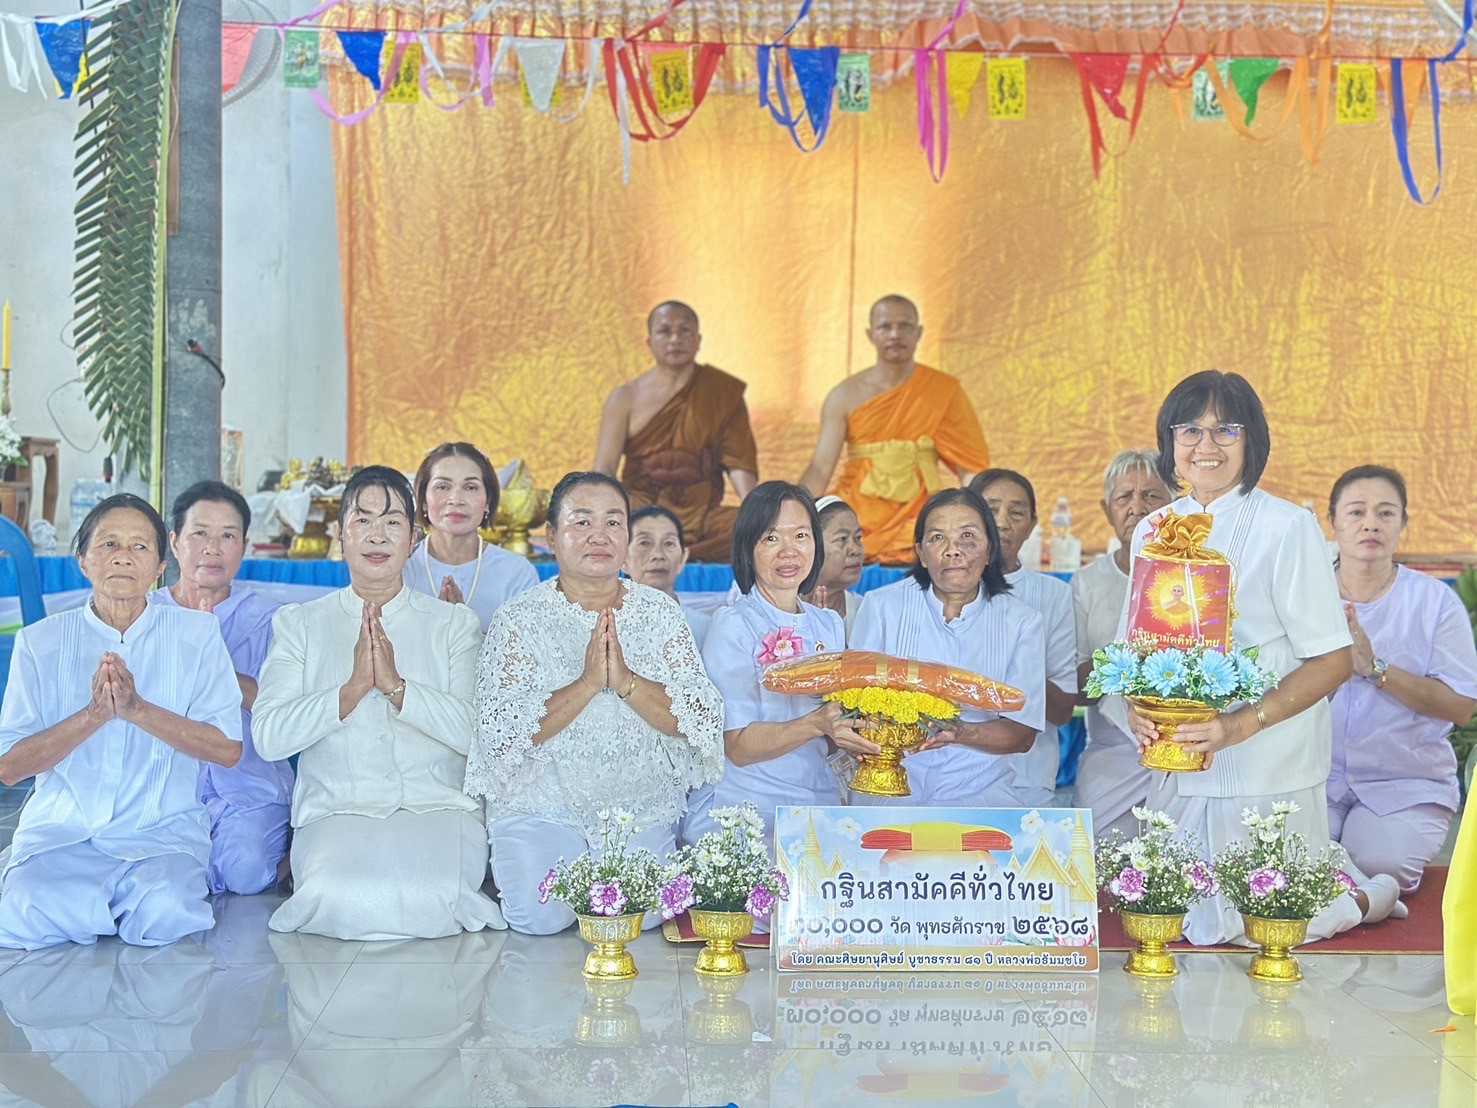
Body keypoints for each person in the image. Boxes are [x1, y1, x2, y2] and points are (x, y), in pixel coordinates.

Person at [1122, 371, 1395, 944]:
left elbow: (1333, 660)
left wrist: (1240, 724)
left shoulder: (1286, 526)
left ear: (1253, 442)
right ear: (1170, 443)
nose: (1207, 445)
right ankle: (1349, 879)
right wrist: (1137, 707)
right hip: (1179, 757)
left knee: (1269, 926)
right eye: (1190, 429)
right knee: (1179, 920)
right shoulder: (1152, 528)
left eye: (1226, 430)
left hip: (1266, 757)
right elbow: (1139, 646)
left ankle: (1367, 897)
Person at [254, 466, 504, 940]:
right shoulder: (302, 624)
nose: (377, 535)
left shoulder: (453, 625)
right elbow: (268, 737)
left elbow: (481, 735)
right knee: (335, 892)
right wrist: (348, 693)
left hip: (439, 807)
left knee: (438, 892)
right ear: (340, 535)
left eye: (392, 523)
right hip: (338, 809)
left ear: (413, 538)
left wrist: (398, 688)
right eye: (362, 520)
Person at [468, 472, 723, 935]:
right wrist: (587, 684)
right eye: (582, 522)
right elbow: (502, 733)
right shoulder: (518, 620)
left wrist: (625, 682)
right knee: (540, 917)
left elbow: (697, 717)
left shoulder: (660, 613)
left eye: (613, 522)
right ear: (551, 536)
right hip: (541, 801)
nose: (599, 536)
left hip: (636, 803)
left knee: (641, 916)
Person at [0, 495, 242, 949]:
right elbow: (9, 767)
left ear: (160, 567)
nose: (123, 558)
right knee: (24, 908)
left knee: (168, 910)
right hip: (64, 835)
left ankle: (100, 914)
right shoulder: (40, 642)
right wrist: (94, 716)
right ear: (83, 560)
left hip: (160, 834)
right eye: (109, 543)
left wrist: (138, 711)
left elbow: (227, 748)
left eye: (139, 547)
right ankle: (97, 911)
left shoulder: (197, 635)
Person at [680, 482, 879, 849]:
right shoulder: (734, 623)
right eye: (771, 539)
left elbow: (833, 728)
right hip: (747, 814)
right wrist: (817, 724)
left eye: (801, 535)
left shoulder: (828, 623)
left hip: (815, 807)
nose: (789, 551)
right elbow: (736, 744)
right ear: (748, 548)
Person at [1326, 465, 1477, 897]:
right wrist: (1333, 669)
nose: (1370, 523)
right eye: (1355, 512)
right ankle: (1366, 898)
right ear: (1332, 521)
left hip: (1405, 784)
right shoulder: (1307, 594)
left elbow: (1460, 706)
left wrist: (1375, 668)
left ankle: (1364, 891)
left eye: (1385, 513)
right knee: (1285, 858)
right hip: (1314, 780)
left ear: (1403, 524)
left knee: (1378, 862)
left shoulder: (1433, 602)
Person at [848, 488, 1044, 806]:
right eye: (938, 538)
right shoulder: (882, 607)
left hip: (981, 793)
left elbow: (1022, 735)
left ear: (990, 549)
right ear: (921, 554)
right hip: (889, 789)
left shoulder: (1022, 622)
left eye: (967, 536)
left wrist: (960, 732)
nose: (953, 550)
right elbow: (853, 707)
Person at [150, 479, 291, 896]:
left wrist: (216, 664)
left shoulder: (270, 620)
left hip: (247, 783)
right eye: (200, 534)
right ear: (174, 543)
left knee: (246, 873)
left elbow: (281, 708)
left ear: (244, 546)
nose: (213, 548)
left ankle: (289, 855)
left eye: (227, 536)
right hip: (163, 782)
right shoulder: (146, 616)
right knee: (163, 875)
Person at [799, 295, 990, 564]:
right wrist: (795, 516)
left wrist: (974, 521)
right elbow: (820, 467)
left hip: (919, 518)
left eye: (905, 326)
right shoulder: (845, 395)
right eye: (885, 327)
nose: (895, 334)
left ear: (919, 332)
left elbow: (971, 468)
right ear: (871, 334)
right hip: (858, 516)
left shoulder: (942, 391)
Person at [593, 302, 759, 562]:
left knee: (753, 530)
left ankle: (664, 553)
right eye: (665, 331)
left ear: (698, 340)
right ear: (650, 342)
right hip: (641, 510)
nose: (675, 339)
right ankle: (667, 550)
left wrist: (757, 511)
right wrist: (604, 514)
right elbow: (604, 468)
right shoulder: (625, 398)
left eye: (684, 331)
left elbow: (739, 463)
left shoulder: (721, 393)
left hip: (702, 514)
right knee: (612, 525)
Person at [1071, 451, 1172, 838]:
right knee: (1091, 862)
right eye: (1123, 498)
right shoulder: (1088, 582)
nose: (1137, 508)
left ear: (1176, 504)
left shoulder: (1196, 574)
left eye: (1151, 496)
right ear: (1106, 509)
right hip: (1114, 749)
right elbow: (1076, 687)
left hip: (1191, 746)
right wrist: (1123, 669)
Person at [970, 468, 1079, 808]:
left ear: (1032, 525)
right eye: (991, 509)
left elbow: (1062, 711)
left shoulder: (1052, 595)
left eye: (1016, 513)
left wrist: (1018, 663)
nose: (1002, 522)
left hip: (1026, 780)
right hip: (947, 776)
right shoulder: (936, 592)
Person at [404, 442, 539, 631]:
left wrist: (467, 628)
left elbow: (527, 655)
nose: (456, 499)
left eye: (470, 487)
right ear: (423, 500)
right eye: (443, 487)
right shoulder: (402, 569)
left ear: (488, 502)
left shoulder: (516, 573)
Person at [624, 504, 712, 647]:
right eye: (644, 543)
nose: (658, 555)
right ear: (623, 560)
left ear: (683, 558)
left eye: (669, 543)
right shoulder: (605, 628)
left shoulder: (705, 629)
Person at [802, 496, 866, 641]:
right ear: (812, 546)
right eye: (842, 539)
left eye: (858, 538)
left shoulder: (865, 612)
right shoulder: (782, 608)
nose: (855, 550)